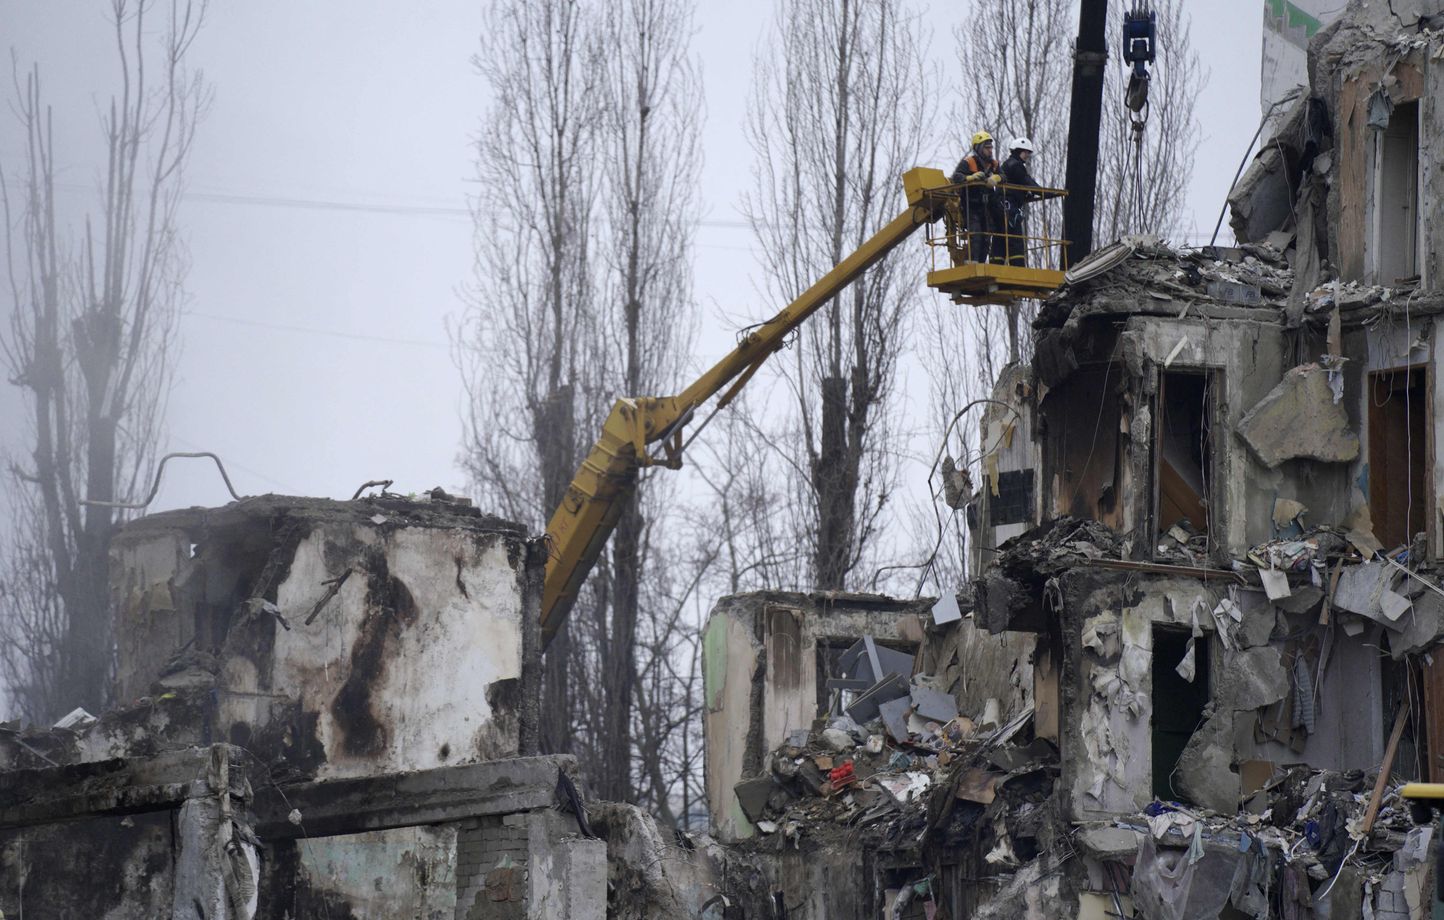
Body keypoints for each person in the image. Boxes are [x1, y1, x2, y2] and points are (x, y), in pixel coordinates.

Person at [950, 131, 1004, 263]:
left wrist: (997, 177)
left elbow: (1004, 176)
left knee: (986, 236)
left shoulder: (994, 164)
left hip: (987, 205)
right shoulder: (969, 163)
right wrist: (970, 178)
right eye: (987, 147)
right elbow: (956, 177)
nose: (990, 151)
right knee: (976, 233)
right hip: (972, 205)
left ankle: (980, 261)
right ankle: (972, 260)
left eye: (991, 147)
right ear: (979, 148)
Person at [1000, 137, 1044, 267]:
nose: (1027, 156)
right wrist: (1044, 192)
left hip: (1001, 206)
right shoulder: (1016, 165)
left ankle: (997, 264)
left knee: (1000, 239)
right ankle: (1018, 266)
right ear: (1019, 151)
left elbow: (1018, 183)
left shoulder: (1006, 165)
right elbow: (1026, 181)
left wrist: (1025, 194)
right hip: (1009, 207)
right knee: (1016, 239)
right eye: (1026, 153)